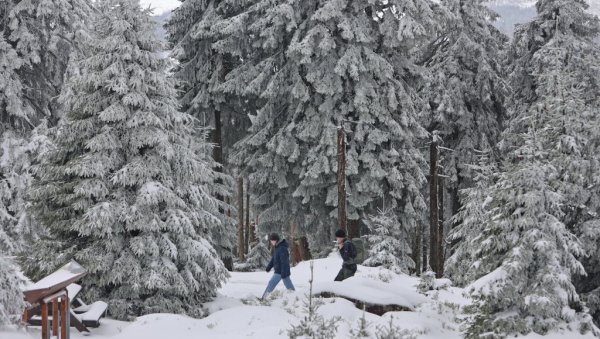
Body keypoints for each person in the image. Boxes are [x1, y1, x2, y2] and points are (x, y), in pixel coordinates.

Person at [261, 233, 295, 299]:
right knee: (289, 286)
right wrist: (269, 267)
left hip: (281, 271)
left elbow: (284, 262)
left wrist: (283, 273)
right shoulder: (277, 248)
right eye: (271, 241)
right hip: (281, 271)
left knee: (271, 283)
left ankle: (264, 298)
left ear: (276, 240)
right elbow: (274, 259)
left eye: (273, 240)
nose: (271, 242)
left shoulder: (282, 248)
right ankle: (296, 297)